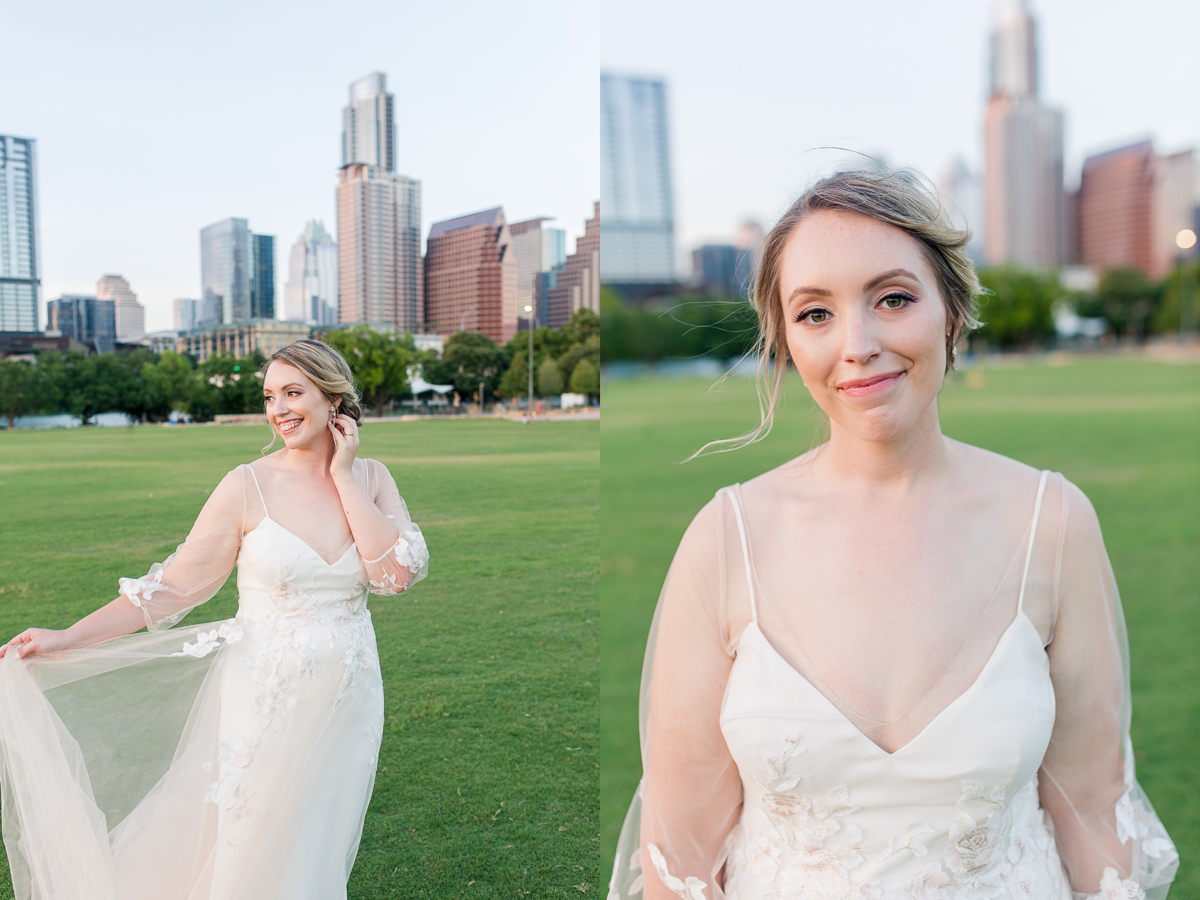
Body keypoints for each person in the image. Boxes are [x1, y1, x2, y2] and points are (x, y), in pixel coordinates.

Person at [608, 171, 1177, 900]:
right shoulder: (727, 540)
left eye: (894, 298)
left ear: (951, 310)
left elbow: (1095, 814)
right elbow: (678, 854)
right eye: (816, 313)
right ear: (785, 337)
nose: (859, 344)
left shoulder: (1053, 522)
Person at [0, 339, 429, 899]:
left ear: (333, 398)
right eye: (270, 396)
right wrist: (65, 638)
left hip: (348, 697)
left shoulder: (371, 478)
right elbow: (173, 587)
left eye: (293, 393)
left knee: (318, 842)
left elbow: (393, 577)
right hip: (263, 696)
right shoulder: (246, 485)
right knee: (249, 840)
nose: (279, 410)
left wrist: (345, 476)